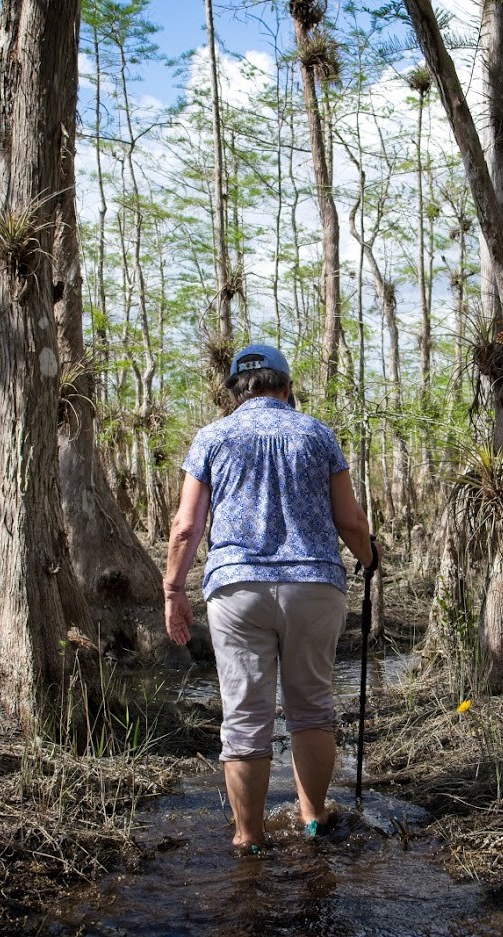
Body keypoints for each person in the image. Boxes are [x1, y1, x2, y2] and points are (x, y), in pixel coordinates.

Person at [163, 343, 376, 853]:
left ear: (236, 391)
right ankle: (313, 819)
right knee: (311, 709)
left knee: (243, 717)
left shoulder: (213, 436)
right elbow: (349, 520)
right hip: (313, 586)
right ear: (286, 387)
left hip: (238, 589)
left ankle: (248, 838)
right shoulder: (316, 433)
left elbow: (186, 526)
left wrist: (173, 589)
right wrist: (370, 559)